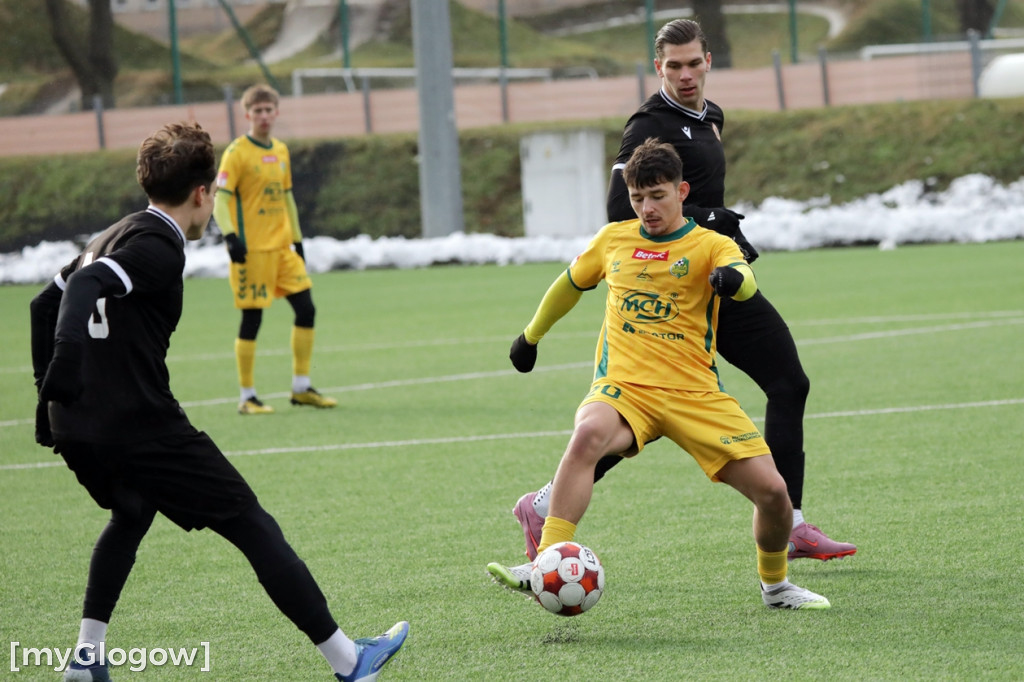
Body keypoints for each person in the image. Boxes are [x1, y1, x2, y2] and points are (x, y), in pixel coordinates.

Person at [29, 121, 407, 682]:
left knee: (131, 512)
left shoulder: (112, 235)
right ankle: (350, 662)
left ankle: (86, 658)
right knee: (251, 521)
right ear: (203, 194)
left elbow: (43, 302)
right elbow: (78, 297)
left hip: (82, 426)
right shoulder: (159, 244)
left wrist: (49, 398)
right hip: (138, 423)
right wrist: (61, 367)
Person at [501, 18, 854, 566]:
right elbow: (625, 210)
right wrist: (708, 217)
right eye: (674, 66)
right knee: (649, 415)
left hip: (714, 278)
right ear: (658, 67)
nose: (686, 75)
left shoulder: (709, 116)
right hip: (669, 291)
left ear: (709, 61)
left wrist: (717, 243)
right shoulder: (649, 123)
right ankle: (546, 506)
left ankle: (792, 524)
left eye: (694, 63)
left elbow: (692, 199)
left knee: (788, 382)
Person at [487, 139, 830, 610]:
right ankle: (546, 559)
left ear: (682, 191)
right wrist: (530, 337)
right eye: (637, 198)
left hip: (695, 393)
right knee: (588, 435)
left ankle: (776, 587)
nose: (646, 209)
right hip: (626, 389)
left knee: (774, 495)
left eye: (657, 196)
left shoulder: (710, 244)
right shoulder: (613, 241)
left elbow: (743, 278)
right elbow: (568, 285)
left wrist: (735, 282)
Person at [213, 83, 337, 415]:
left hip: (282, 249)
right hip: (252, 252)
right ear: (247, 114)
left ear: (276, 112)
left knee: (306, 309)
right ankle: (247, 395)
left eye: (269, 110)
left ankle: (301, 387)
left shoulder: (280, 151)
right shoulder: (237, 153)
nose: (264, 116)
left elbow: (286, 198)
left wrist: (297, 239)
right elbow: (221, 200)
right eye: (258, 111)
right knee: (252, 319)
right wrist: (229, 236)